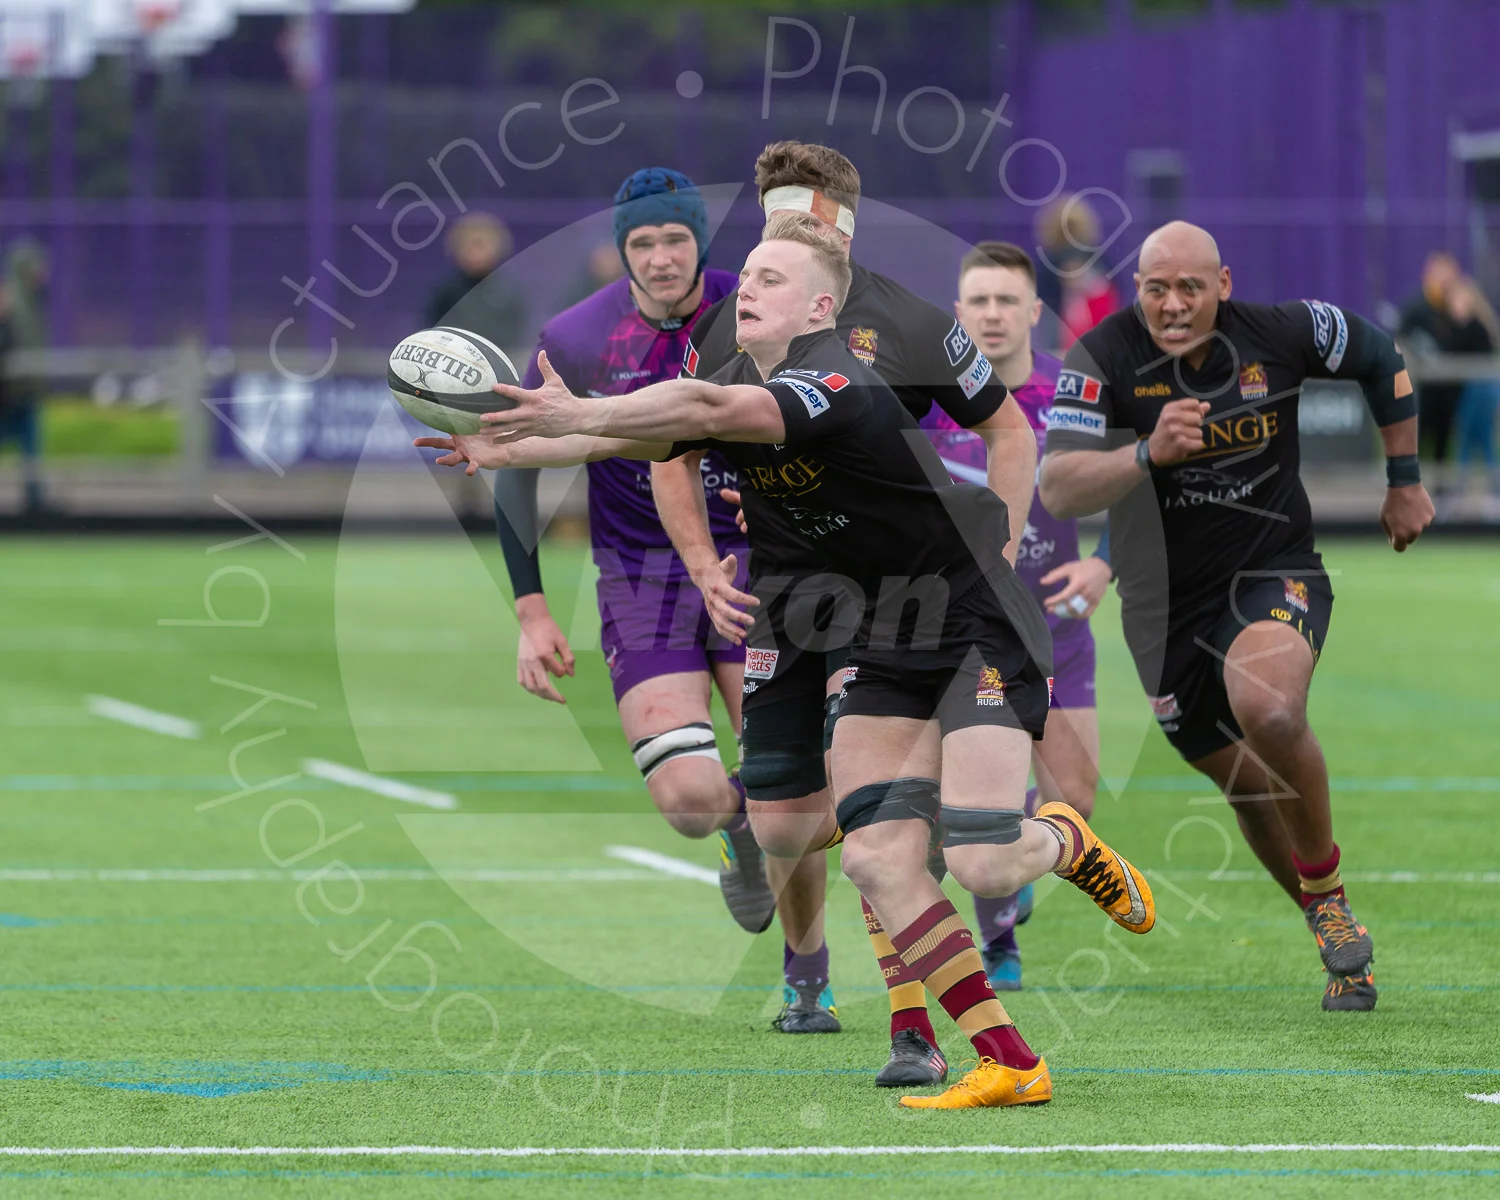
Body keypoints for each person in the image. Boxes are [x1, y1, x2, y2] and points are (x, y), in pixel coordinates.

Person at [419, 211, 1158, 1110]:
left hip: (967, 620)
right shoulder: (734, 374)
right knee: (876, 860)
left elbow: (700, 413)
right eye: (750, 276)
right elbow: (633, 438)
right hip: (877, 634)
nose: (748, 290)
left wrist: (575, 409)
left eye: (772, 279)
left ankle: (1065, 840)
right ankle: (1009, 1059)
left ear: (818, 308)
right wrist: (509, 442)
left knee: (983, 863)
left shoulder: (835, 377)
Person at [650, 141, 1038, 1084]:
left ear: (845, 229)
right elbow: (672, 447)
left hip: (894, 599)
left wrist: (998, 549)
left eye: (805, 217)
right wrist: (702, 566)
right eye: (772, 216)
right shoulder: (734, 322)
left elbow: (1007, 428)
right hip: (791, 597)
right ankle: (809, 956)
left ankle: (912, 1028)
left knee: (878, 822)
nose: (784, 232)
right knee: (789, 825)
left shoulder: (910, 322)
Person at [1038, 220, 1434, 1013]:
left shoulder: (1280, 332)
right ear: (1137, 289)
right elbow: (1060, 487)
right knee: (1248, 789)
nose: (1173, 305)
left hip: (1271, 572)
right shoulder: (1102, 356)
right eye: (1157, 289)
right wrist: (1146, 452)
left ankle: (1326, 894)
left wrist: (1404, 478)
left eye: (1190, 287)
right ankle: (1332, 936)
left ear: (1223, 283)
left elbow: (1380, 354)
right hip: (1160, 608)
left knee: (1270, 708)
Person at [484, 168, 843, 1033]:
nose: (660, 257)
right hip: (640, 580)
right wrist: (531, 609)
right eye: (642, 243)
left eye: (675, 239)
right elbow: (515, 467)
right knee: (691, 802)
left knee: (793, 790)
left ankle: (806, 976)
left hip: (755, 570)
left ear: (699, 242)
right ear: (621, 250)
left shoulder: (755, 306)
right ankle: (739, 827)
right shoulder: (575, 337)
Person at [924, 240, 1113, 990]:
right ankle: (999, 941)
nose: (993, 314)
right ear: (958, 312)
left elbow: (1139, 486)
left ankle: (1013, 864)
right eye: (979, 301)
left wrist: (1104, 563)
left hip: (1057, 630)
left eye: (1008, 300)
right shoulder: (932, 400)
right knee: (981, 800)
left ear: (1036, 311)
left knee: (1076, 800)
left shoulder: (1071, 396)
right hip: (968, 634)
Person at [1398, 252, 1467, 494]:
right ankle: (1408, 487)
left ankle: (1440, 490)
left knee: (1443, 439)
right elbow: (1401, 338)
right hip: (1421, 389)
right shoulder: (1417, 308)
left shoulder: (1456, 308)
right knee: (1416, 437)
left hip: (1448, 389)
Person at [425, 212, 527, 357]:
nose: (476, 253)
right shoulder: (445, 293)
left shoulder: (508, 295)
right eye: (470, 245)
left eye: (481, 245)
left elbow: (511, 337)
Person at [0, 240, 50, 515]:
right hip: (8, 391)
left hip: (24, 392)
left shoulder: (31, 301)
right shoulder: (10, 301)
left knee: (31, 445)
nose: (41, 273)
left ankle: (34, 498)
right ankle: (34, 498)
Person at [1035, 194, 1121, 353]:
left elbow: (1110, 288)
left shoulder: (1094, 257)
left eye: (1073, 228)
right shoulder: (1049, 262)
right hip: (1058, 318)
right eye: (1065, 229)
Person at [1442, 277, 1499, 498]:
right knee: (1472, 439)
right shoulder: (1457, 328)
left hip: (1482, 391)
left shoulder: (1475, 327)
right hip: (1472, 392)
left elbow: (1463, 354)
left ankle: (1486, 490)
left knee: (1477, 438)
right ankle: (1467, 489)